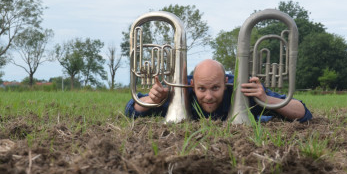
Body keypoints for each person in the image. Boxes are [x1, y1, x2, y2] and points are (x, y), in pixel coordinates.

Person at [125, 59, 312, 122]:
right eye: (201, 89)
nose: (208, 96)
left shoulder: (240, 88)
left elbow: (303, 113)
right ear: (192, 84)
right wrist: (153, 99)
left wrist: (265, 99)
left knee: (265, 117)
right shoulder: (181, 91)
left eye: (215, 88)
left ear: (226, 82)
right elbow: (131, 111)